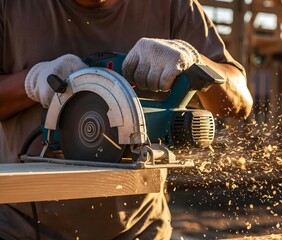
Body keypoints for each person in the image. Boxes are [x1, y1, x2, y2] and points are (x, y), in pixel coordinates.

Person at [0, 0, 253, 239]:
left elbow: (241, 101)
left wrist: (194, 60)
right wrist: (30, 82)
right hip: (20, 226)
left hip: (138, 227)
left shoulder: (173, 5)